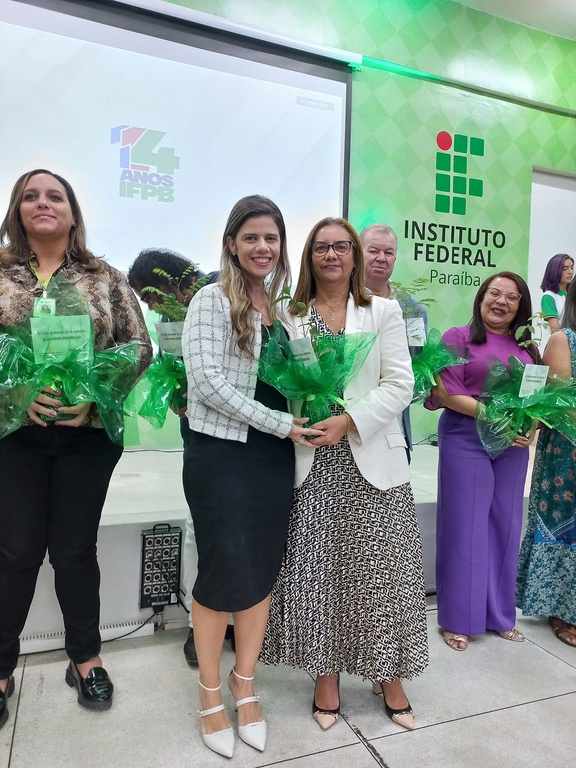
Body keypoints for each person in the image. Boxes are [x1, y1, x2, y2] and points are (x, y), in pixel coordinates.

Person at [262, 217, 428, 732]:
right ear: (308, 256)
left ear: (354, 255)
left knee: (383, 574)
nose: (331, 255)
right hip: (312, 458)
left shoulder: (383, 310)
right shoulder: (289, 314)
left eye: (341, 246)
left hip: (371, 453)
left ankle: (389, 674)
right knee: (322, 574)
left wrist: (351, 420)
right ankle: (326, 676)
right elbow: (277, 383)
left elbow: (401, 383)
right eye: (321, 247)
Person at [0, 169, 152, 728]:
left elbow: (139, 347)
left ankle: (85, 658)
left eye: (55, 196)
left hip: (86, 438)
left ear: (72, 211)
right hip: (13, 437)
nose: (43, 203)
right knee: (15, 553)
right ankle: (1, 667)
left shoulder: (104, 276)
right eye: (30, 196)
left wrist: (95, 394)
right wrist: (14, 394)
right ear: (17, 209)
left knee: (74, 551)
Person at [181, 195, 321, 758]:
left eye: (272, 238)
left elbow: (303, 380)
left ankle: (245, 684)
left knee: (261, 570)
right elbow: (207, 383)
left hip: (272, 460)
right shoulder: (211, 300)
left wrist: (323, 379)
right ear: (232, 244)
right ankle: (209, 693)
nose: (263, 247)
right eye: (251, 237)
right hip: (222, 455)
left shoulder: (284, 314)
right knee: (222, 570)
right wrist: (281, 424)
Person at [425, 272, 539, 651]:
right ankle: (459, 619)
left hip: (511, 444)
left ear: (520, 307)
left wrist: (531, 427)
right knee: (465, 526)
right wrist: (493, 416)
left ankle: (500, 615)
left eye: (512, 297)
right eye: (495, 293)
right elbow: (444, 391)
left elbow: (535, 399)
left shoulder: (528, 349)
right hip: (466, 436)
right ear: (481, 297)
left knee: (505, 525)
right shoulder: (457, 337)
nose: (501, 301)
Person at [127, 249, 229, 667]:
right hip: (199, 435)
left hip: (244, 430)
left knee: (240, 529)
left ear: (166, 282)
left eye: (149, 297)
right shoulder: (171, 317)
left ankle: (238, 619)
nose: (151, 308)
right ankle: (200, 624)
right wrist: (174, 392)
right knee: (198, 528)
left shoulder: (224, 288)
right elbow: (171, 366)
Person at [516, 277, 576, 647]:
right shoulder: (563, 340)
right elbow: (561, 404)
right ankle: (562, 607)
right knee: (565, 525)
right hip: (568, 452)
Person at [361, 223, 428, 459]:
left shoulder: (413, 310)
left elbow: (417, 362)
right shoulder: (341, 300)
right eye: (373, 251)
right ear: (358, 253)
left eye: (388, 252)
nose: (381, 258)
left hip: (395, 427)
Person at [540, 253, 574, 333]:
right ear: (555, 271)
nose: (570, 272)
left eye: (572, 267)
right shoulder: (548, 296)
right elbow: (555, 330)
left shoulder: (572, 294)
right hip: (563, 339)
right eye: (565, 269)